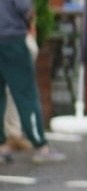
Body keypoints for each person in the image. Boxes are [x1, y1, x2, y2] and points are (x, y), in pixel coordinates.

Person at [0, 0, 64, 164]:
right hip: (12, 39)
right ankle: (40, 145)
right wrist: (31, 27)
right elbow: (25, 8)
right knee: (26, 95)